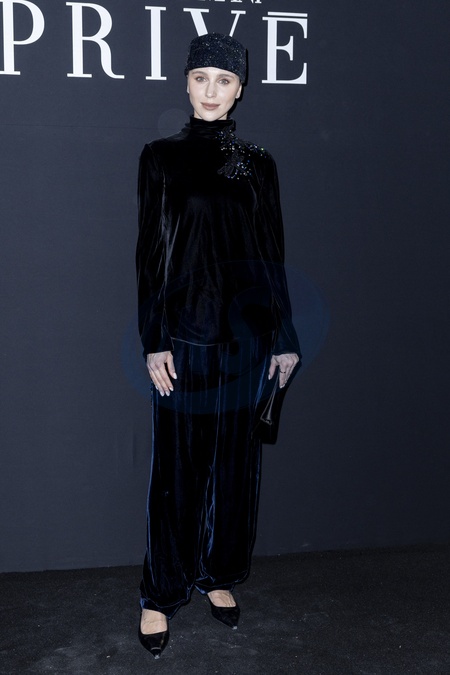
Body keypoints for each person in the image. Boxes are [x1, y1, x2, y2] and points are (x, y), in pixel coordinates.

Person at [136, 33, 300, 658]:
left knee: (236, 471)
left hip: (246, 342)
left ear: (240, 89)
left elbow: (271, 253)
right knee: (176, 475)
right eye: (201, 78)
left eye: (224, 80)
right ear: (186, 83)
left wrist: (283, 337)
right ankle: (160, 593)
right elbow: (150, 255)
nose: (211, 91)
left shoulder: (260, 163)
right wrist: (155, 339)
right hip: (185, 339)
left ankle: (218, 573)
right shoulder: (160, 157)